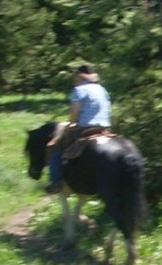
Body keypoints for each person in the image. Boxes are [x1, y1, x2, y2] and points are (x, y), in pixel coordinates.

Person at [46, 63, 112, 193]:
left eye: (75, 77)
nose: (75, 80)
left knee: (55, 147)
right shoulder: (101, 89)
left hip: (85, 127)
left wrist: (71, 123)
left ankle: (56, 182)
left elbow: (75, 112)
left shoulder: (79, 90)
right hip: (104, 127)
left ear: (79, 77)